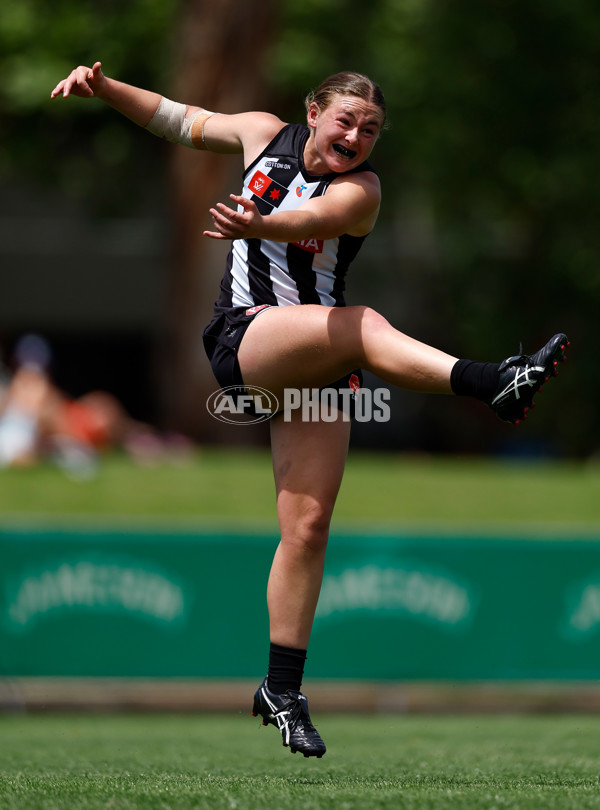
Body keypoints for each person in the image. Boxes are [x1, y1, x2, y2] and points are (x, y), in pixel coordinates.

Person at [51, 62, 568, 757]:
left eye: (371, 129)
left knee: (309, 527)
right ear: (315, 112)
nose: (356, 135)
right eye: (346, 119)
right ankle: (490, 384)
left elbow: (311, 218)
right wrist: (105, 89)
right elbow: (176, 117)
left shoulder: (362, 190)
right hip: (248, 336)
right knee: (360, 325)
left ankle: (281, 689)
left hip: (313, 358)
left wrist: (260, 221)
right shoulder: (261, 134)